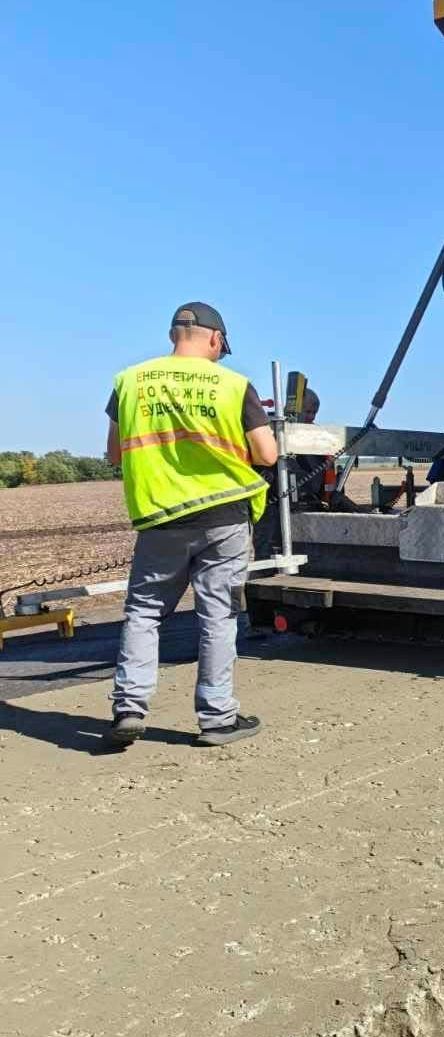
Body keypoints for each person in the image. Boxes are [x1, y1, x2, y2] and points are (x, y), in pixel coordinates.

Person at [104, 302, 278, 748]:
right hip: (223, 516)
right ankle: (218, 718)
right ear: (215, 339)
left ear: (172, 334)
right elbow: (267, 454)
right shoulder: (233, 385)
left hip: (160, 517)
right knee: (217, 616)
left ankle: (128, 709)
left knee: (143, 614)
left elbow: (114, 454)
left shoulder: (130, 381)